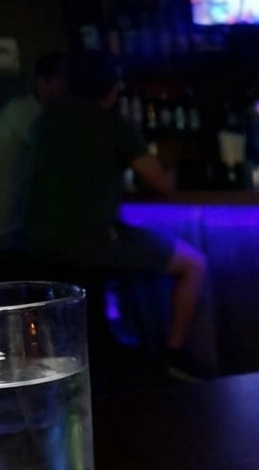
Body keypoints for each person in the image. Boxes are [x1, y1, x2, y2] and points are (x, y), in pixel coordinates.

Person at [21, 51, 207, 379]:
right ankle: (173, 355)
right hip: (93, 243)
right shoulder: (109, 122)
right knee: (194, 264)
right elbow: (161, 183)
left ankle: (122, 353)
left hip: (36, 245)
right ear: (112, 90)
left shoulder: (43, 122)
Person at [0, 53, 66, 249]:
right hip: (6, 222)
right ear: (42, 81)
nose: (66, 87)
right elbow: (53, 158)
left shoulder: (46, 115)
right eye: (61, 80)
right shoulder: (22, 111)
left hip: (16, 221)